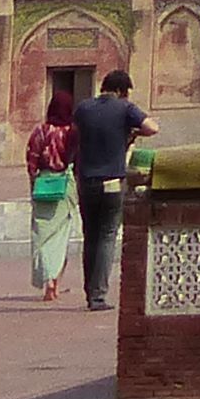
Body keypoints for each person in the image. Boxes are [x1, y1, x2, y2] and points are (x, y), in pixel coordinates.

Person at [70, 66, 154, 311]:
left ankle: (90, 292)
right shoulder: (124, 108)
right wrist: (132, 131)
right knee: (107, 237)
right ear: (121, 90)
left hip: (86, 181)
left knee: (91, 236)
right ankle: (98, 296)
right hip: (112, 182)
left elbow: (76, 133)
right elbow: (152, 127)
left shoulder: (83, 108)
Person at [26, 88, 80, 301]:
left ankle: (46, 280)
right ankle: (55, 283)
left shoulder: (41, 131)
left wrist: (33, 186)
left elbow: (31, 160)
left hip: (43, 185)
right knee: (61, 236)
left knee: (42, 236)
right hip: (65, 185)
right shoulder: (73, 132)